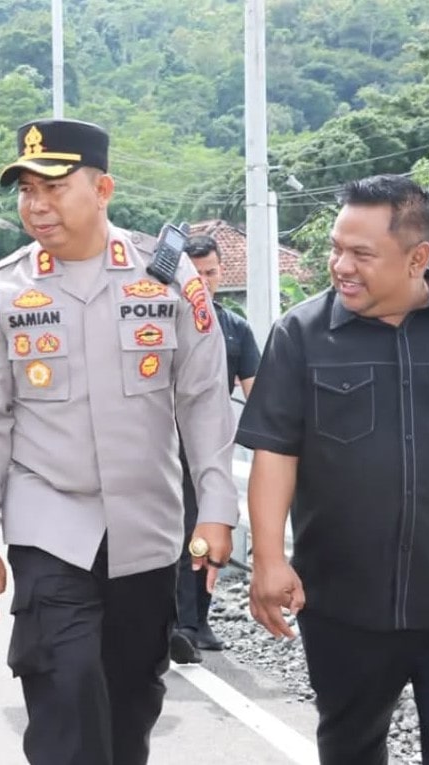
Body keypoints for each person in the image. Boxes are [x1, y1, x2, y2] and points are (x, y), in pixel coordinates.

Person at [0, 119, 239, 765]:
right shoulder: (0, 290)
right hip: (49, 522)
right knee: (64, 684)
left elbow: (202, 398)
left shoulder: (168, 279)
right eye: (26, 189)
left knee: (131, 697)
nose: (36, 204)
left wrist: (219, 507)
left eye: (53, 187)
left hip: (147, 524)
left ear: (103, 187)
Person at [238, 175, 429, 765]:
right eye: (337, 248)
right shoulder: (301, 334)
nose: (341, 265)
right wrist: (268, 558)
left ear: (418, 257)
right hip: (344, 605)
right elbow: (276, 453)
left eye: (361, 253)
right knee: (351, 748)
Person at [169, 234, 261, 664]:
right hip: (160, 444)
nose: (203, 282)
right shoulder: (159, 319)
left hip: (208, 446)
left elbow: (257, 395)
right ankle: (175, 620)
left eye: (210, 273)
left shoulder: (235, 329)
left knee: (206, 529)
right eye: (195, 273)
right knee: (171, 532)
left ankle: (195, 621)